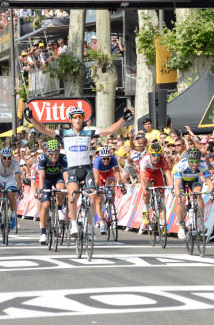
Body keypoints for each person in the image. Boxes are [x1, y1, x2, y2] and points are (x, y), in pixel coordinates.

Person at [24, 105, 134, 235]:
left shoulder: (88, 132)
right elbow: (44, 129)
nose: (78, 119)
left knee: (93, 197)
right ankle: (74, 224)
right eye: (75, 117)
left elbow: (108, 130)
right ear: (70, 119)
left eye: (80, 117)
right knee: (72, 195)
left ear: (83, 119)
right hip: (72, 170)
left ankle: (89, 224)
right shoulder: (64, 133)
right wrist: (30, 117)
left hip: (87, 170)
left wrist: (123, 119)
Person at [174, 147, 214, 241]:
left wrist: (212, 193)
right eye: (193, 162)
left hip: (194, 180)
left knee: (198, 194)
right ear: (188, 160)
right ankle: (181, 227)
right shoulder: (181, 165)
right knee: (182, 201)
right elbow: (177, 184)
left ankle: (201, 223)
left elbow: (208, 181)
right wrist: (178, 195)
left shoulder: (203, 164)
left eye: (197, 161)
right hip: (182, 181)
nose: (195, 164)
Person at [37, 140, 68, 244]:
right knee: (45, 205)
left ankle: (59, 208)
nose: (54, 156)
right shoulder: (42, 158)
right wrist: (41, 189)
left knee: (62, 186)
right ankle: (43, 233)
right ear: (47, 152)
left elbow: (66, 175)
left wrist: (68, 186)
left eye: (56, 153)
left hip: (57, 178)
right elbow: (41, 175)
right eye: (52, 154)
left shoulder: (63, 158)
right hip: (46, 180)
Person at [93, 147, 126, 234]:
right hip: (99, 176)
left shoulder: (114, 159)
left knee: (111, 186)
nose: (106, 160)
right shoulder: (97, 161)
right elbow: (96, 179)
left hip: (109, 174)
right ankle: (101, 221)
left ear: (110, 157)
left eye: (108, 158)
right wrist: (97, 188)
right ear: (101, 158)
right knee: (98, 199)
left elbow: (118, 174)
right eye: (104, 158)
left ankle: (111, 204)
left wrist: (122, 186)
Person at [140, 143, 173, 228]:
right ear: (150, 154)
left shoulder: (163, 161)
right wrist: (144, 190)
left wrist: (172, 187)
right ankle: (146, 210)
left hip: (157, 173)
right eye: (154, 155)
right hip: (147, 173)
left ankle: (163, 223)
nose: (156, 157)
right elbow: (142, 178)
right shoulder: (145, 160)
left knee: (162, 199)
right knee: (147, 190)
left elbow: (168, 176)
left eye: (158, 155)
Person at [0, 147, 23, 230]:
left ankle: (13, 217)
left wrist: (19, 189)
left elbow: (17, 176)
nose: (6, 160)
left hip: (10, 179)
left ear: (11, 158)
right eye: (4, 158)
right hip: (0, 178)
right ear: (1, 157)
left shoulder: (15, 163)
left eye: (9, 158)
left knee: (12, 195)